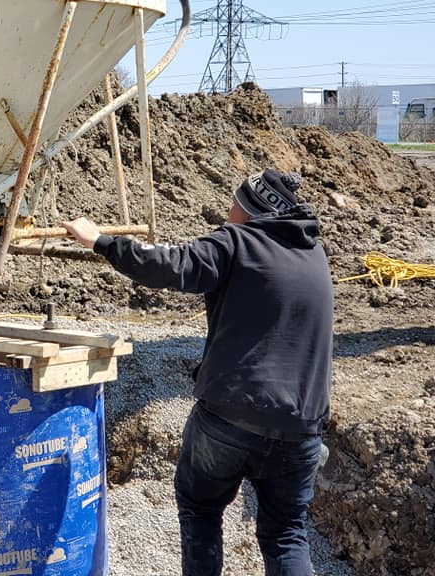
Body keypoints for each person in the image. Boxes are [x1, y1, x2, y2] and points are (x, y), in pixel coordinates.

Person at [63, 169, 333, 576]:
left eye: (234, 204)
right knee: (286, 534)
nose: (228, 213)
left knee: (201, 509)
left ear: (249, 209)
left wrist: (100, 241)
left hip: (229, 414)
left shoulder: (237, 242)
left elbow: (169, 266)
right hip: (301, 423)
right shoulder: (314, 254)